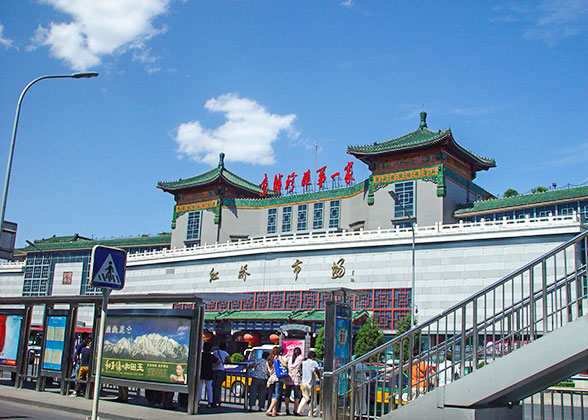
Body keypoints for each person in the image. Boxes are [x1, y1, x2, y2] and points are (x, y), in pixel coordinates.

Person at [297, 351, 320, 416]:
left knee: (305, 397)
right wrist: (320, 377)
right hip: (311, 383)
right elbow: (317, 371)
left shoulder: (303, 362)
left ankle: (299, 410)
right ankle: (312, 412)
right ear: (313, 357)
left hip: (304, 382)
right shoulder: (314, 363)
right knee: (313, 398)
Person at [266, 346, 286, 417]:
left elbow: (268, 370)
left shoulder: (269, 358)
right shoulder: (278, 357)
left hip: (271, 378)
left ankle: (273, 411)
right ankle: (269, 409)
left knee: (273, 394)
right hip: (278, 378)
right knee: (277, 394)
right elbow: (285, 364)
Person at [283, 347, 302, 415]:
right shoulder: (300, 358)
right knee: (297, 395)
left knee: (287, 394)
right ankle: (295, 409)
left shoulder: (290, 358)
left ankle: (287, 408)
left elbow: (284, 363)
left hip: (289, 377)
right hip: (296, 377)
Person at [201, 342, 219, 408]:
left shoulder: (201, 355)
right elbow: (218, 361)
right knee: (209, 388)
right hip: (209, 372)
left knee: (200, 387)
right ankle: (210, 402)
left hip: (201, 372)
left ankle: (198, 401)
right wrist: (214, 366)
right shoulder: (211, 356)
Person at [212, 342, 230, 407]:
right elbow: (229, 360)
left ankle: (212, 400)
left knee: (213, 386)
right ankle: (217, 401)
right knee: (218, 386)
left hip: (214, 370)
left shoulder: (215, 352)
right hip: (221, 370)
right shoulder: (225, 353)